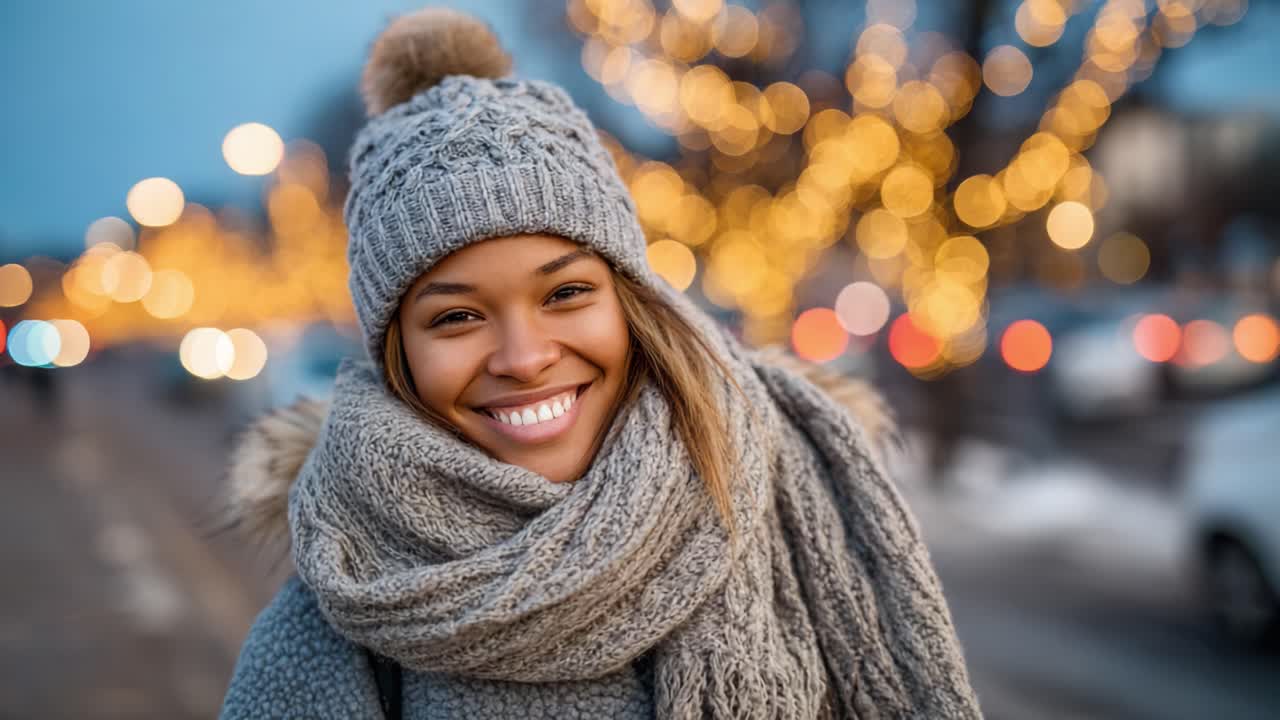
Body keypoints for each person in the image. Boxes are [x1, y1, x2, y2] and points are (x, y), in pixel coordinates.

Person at [217, 7, 981, 719]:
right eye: (456, 317)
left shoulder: (806, 501)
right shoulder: (340, 622)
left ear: (629, 302)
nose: (524, 358)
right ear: (398, 355)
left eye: (567, 293)